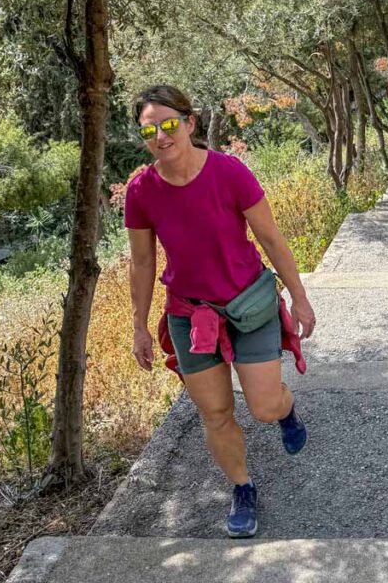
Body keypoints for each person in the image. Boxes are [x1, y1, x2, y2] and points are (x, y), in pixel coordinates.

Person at [124, 84, 316, 540]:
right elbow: (143, 262)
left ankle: (286, 412)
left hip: (249, 303)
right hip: (191, 315)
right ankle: (243, 488)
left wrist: (300, 296)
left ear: (190, 123)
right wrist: (138, 326)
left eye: (169, 124)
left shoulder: (229, 172)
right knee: (215, 413)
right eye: (149, 129)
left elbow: (271, 238)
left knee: (264, 406)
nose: (161, 136)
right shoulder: (142, 190)